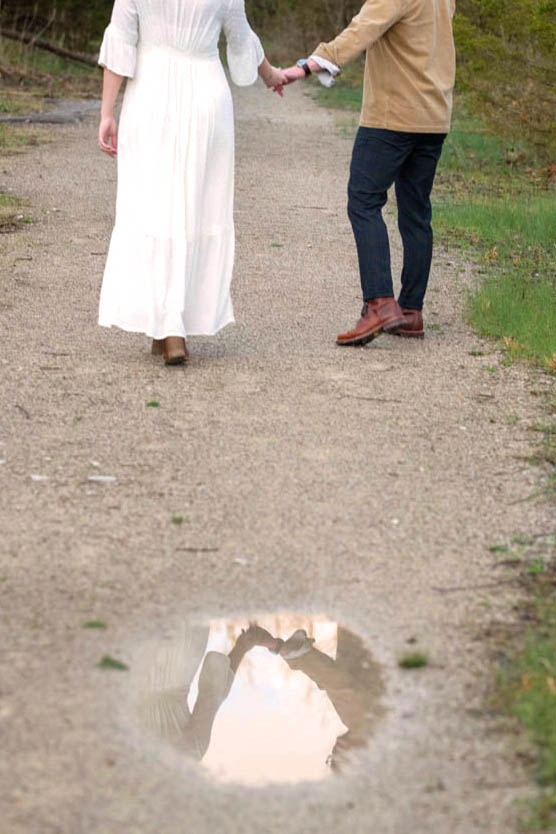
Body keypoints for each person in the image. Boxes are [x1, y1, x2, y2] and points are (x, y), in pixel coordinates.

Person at [97, 0, 287, 365]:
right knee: (194, 207)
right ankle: (170, 322)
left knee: (154, 203)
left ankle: (168, 324)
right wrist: (271, 75)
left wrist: (107, 112)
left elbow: (121, 37)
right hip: (206, 95)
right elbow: (241, 36)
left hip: (152, 93)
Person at [284, 0, 456, 345]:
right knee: (416, 213)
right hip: (433, 115)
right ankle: (410, 311)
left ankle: (379, 303)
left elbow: (362, 29)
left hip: (393, 116)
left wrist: (310, 64)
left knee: (363, 201)